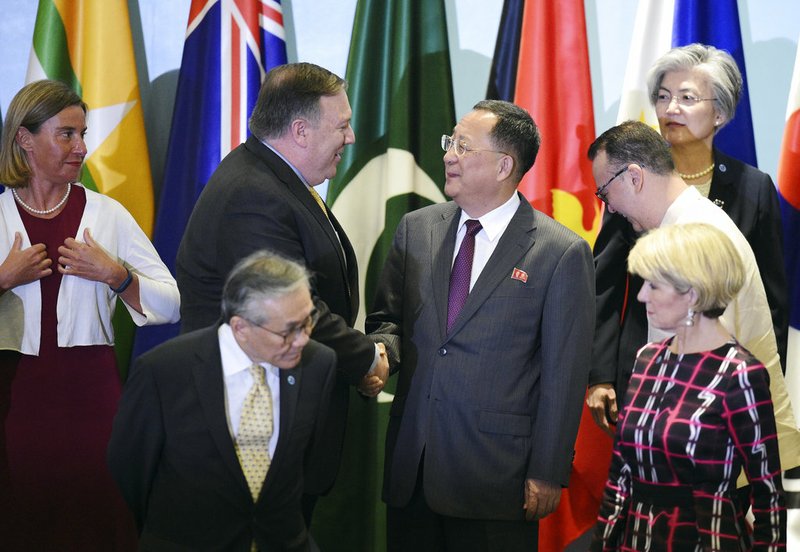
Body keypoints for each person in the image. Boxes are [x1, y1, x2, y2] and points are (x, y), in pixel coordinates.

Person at [366, 100, 595, 551]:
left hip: (497, 477)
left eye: (464, 146)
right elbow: (388, 320)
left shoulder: (559, 252)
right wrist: (381, 354)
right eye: (450, 142)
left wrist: (548, 469)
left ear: (504, 165)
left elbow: (564, 375)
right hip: (414, 465)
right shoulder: (417, 228)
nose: (449, 154)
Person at [175, 62, 388, 520]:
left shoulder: (275, 178)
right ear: (300, 131)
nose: (350, 138)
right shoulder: (254, 195)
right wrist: (368, 358)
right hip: (254, 435)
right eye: (343, 125)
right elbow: (293, 312)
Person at [0, 80, 180, 549]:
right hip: (13, 397)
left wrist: (117, 275)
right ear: (24, 139)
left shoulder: (107, 214)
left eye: (84, 134)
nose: (82, 147)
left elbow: (171, 301)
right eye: (67, 134)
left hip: (92, 396)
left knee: (99, 522)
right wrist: (2, 280)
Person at [589, 44, 788, 438]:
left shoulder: (753, 187)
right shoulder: (635, 180)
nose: (670, 109)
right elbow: (605, 283)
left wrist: (757, 382)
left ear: (719, 112)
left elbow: (769, 300)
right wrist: (599, 375)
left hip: (723, 377)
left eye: (686, 97)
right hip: (644, 366)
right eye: (662, 97)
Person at [586, 120, 800, 477]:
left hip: (710, 465)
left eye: (605, 193)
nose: (609, 208)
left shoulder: (695, 239)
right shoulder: (686, 227)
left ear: (634, 177)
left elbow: (708, 376)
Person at [108, 251, 335, 551]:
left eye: (308, 321)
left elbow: (310, 468)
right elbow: (130, 471)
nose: (304, 339)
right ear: (241, 327)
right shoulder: (163, 372)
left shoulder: (319, 364)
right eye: (289, 330)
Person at [591, 223, 786, 550]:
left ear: (692, 293)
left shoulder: (740, 374)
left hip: (704, 540)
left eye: (653, 285)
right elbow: (620, 476)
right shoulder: (647, 359)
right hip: (635, 541)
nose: (641, 296)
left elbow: (768, 495)